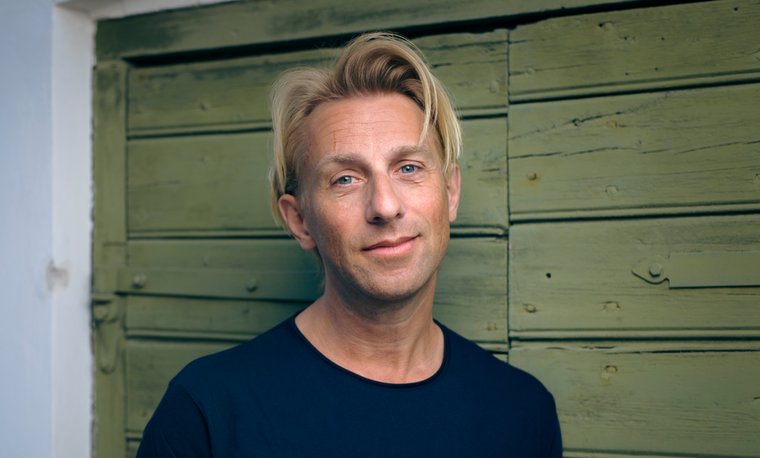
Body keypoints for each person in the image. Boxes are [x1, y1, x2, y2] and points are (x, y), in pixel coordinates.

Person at [137, 32, 562, 457]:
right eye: (345, 179)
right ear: (300, 220)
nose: (385, 206)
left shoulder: (522, 411)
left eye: (408, 168)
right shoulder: (206, 412)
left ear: (450, 193)